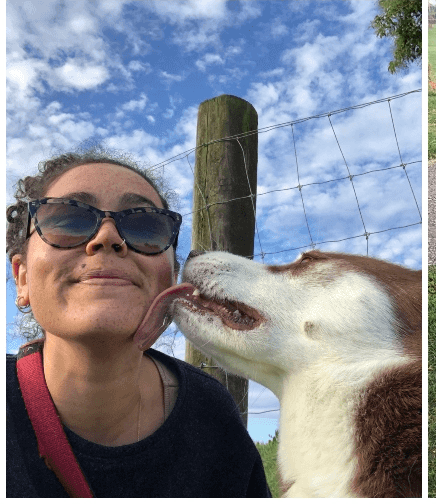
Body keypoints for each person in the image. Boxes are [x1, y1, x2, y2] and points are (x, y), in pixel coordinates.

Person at [6, 149, 271, 497]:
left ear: (170, 277)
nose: (107, 237)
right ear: (22, 278)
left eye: (145, 226)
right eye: (68, 219)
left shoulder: (212, 417)